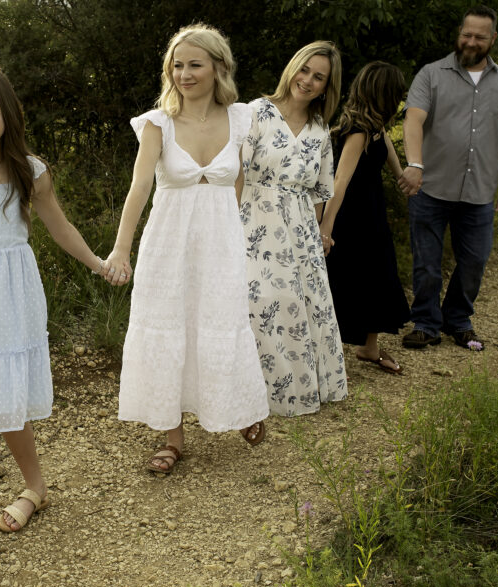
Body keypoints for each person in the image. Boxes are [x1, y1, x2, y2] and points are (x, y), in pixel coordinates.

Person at [0, 59, 120, 574]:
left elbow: (60, 228)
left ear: (7, 112)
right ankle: (34, 488)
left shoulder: (28, 172)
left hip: (12, 304)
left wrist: (99, 264)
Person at [107, 24, 269, 474]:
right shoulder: (157, 123)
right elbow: (139, 188)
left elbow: (237, 181)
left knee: (222, 321)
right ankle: (171, 436)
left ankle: (236, 408)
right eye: (177, 65)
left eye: (194, 64)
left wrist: (228, 233)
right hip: (167, 242)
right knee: (167, 325)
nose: (184, 74)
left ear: (219, 68)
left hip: (220, 240)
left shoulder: (241, 118)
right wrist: (122, 250)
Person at [398, 4, 498, 350]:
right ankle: (425, 323)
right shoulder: (431, 74)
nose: (470, 42)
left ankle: (458, 320)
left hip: (480, 192)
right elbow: (413, 119)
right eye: (466, 34)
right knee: (427, 264)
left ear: (493, 39)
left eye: (479, 37)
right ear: (459, 34)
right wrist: (415, 164)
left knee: (474, 262)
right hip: (431, 188)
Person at [240, 41, 349, 415]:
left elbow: (322, 190)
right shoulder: (256, 112)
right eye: (304, 70)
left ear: (326, 87)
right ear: (292, 68)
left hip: (301, 225)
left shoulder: (320, 129)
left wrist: (322, 232)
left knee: (302, 305)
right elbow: (236, 174)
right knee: (260, 300)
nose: (308, 80)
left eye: (319, 77)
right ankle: (252, 392)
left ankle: (298, 388)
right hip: (255, 219)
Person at [321, 61, 410, 374]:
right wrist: (326, 228)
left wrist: (401, 175)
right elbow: (339, 183)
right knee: (346, 280)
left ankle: (368, 347)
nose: (400, 100)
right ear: (383, 95)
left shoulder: (375, 125)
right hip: (351, 218)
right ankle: (322, 353)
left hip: (372, 214)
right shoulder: (357, 131)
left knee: (379, 274)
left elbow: (385, 142)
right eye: (397, 94)